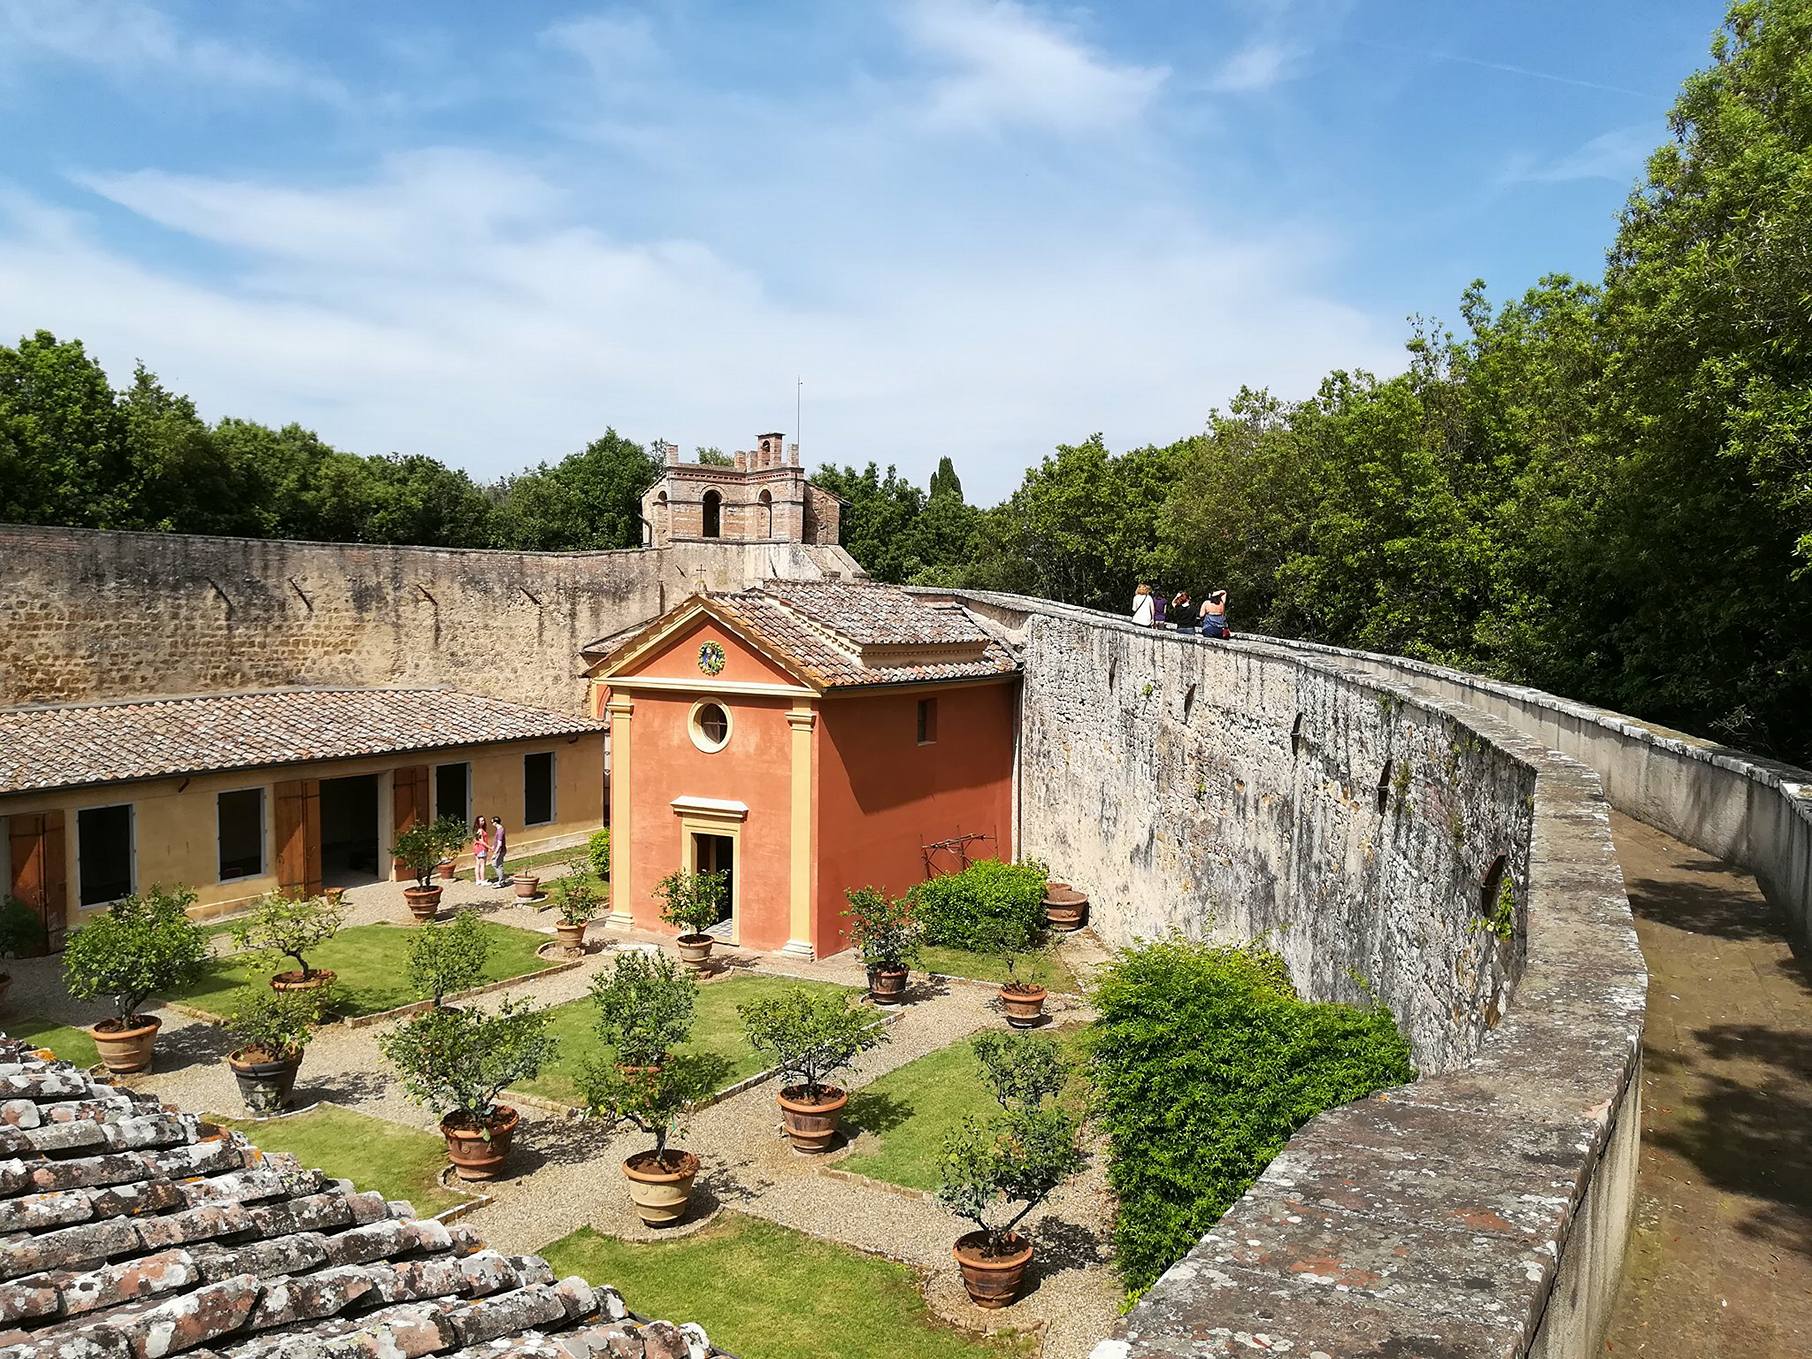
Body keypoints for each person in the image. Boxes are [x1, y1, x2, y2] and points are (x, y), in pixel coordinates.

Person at [489, 816, 509, 887]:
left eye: (492, 822)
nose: (492, 824)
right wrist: (493, 846)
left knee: (496, 865)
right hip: (500, 850)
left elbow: (500, 843)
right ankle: (501, 880)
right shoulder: (500, 829)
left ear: (495, 822)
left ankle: (501, 882)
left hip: (500, 851)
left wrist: (495, 852)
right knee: (498, 864)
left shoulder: (500, 830)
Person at [471, 817, 489, 886]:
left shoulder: (476, 830)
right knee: (482, 865)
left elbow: (475, 840)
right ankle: (483, 880)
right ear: (478, 822)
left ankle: (478, 880)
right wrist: (489, 847)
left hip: (476, 848)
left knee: (477, 864)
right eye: (481, 821)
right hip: (481, 849)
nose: (483, 822)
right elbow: (482, 841)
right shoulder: (480, 831)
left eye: (483, 820)